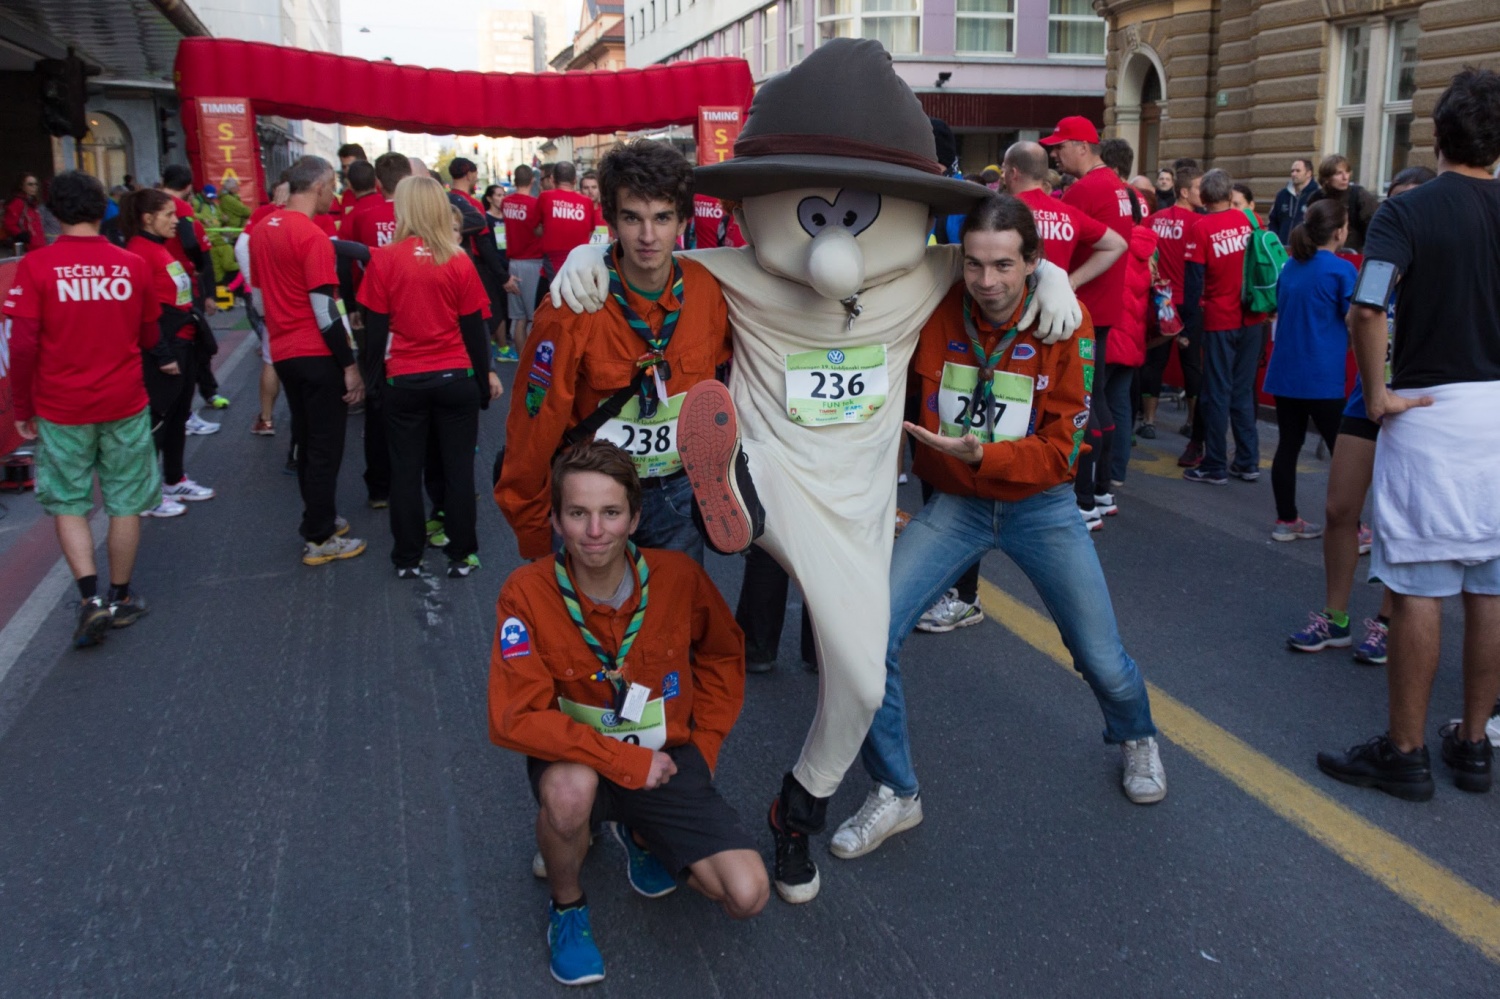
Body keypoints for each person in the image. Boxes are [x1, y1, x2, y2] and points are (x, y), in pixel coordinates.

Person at [829, 194, 1166, 862]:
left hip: (1041, 507)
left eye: (1006, 265)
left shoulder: (1064, 323)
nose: (988, 281)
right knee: (868, 640)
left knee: (1098, 653)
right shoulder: (933, 305)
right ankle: (896, 790)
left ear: (1033, 263)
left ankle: (1136, 734)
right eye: (976, 265)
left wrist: (985, 454)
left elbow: (1065, 452)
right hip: (953, 505)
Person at [488, 441, 767, 985]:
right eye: (578, 513)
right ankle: (567, 908)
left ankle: (641, 834)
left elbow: (723, 654)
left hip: (665, 757)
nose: (595, 531)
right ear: (556, 519)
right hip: (579, 761)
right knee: (570, 797)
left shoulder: (679, 577)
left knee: (747, 894)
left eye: (611, 513)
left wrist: (703, 748)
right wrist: (622, 764)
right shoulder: (524, 593)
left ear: (635, 518)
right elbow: (513, 717)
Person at [1317, 69, 1500, 800]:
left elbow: (1368, 307)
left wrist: (1376, 391)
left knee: (1419, 583)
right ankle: (1475, 742)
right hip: (1497, 407)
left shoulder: (1408, 212)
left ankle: (1405, 750)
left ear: (1435, 135)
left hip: (1431, 407)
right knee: (1489, 584)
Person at [496, 140, 730, 564]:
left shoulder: (707, 291)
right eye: (632, 218)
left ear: (682, 220)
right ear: (611, 220)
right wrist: (534, 535)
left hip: (677, 494)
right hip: (594, 500)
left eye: (661, 218)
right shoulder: (572, 304)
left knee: (672, 623)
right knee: (594, 625)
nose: (647, 236)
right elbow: (532, 427)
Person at [2, 172, 161, 648]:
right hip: (124, 399)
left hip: (60, 405)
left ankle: (90, 598)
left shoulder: (36, 266)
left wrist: (22, 405)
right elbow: (150, 336)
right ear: (101, 210)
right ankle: (120, 595)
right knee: (126, 499)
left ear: (53, 213)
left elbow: (24, 343)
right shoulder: (132, 265)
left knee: (69, 500)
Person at [1287, 167, 1435, 663]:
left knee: (1398, 520)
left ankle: (1391, 620)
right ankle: (1336, 616)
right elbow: (1358, 316)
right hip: (1365, 394)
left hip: (1419, 397)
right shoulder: (1380, 257)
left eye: (1413, 201)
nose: (1403, 211)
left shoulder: (1444, 260)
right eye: (1396, 202)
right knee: (1338, 509)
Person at [359, 175, 500, 578]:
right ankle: (462, 553)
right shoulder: (458, 259)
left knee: (405, 472)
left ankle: (408, 557)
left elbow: (375, 332)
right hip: (455, 378)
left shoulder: (384, 260)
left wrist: (373, 383)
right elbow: (475, 330)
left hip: (404, 380)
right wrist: (481, 382)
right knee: (458, 470)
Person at [249, 155, 367, 566]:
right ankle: (318, 536)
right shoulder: (313, 236)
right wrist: (349, 365)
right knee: (324, 448)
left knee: (305, 440)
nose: (333, 196)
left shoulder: (263, 228)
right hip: (315, 354)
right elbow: (325, 310)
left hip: (282, 351)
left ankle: (320, 518)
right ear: (318, 186)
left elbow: (260, 299)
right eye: (332, 186)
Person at [1041, 117, 1135, 526]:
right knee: (1101, 400)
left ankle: (1083, 499)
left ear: (1083, 146)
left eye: (1060, 146)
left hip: (1084, 309)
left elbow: (1060, 243)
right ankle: (1101, 491)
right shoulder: (1119, 187)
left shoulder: (1085, 190)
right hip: (1104, 306)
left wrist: (1069, 283)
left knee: (1083, 402)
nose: (1054, 154)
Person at [120, 189, 218, 517]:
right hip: (166, 345)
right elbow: (143, 312)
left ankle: (174, 480)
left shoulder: (158, 249)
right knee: (158, 421)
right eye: (169, 215)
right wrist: (162, 354)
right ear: (148, 218)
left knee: (178, 417)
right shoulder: (139, 252)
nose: (177, 221)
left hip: (184, 340)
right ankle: (146, 493)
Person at [1261, 200, 1353, 543]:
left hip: (1286, 372)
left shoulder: (1290, 268)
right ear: (1339, 232)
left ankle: (1286, 520)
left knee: (1288, 445)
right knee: (1343, 452)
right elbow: (1353, 319)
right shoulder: (1342, 270)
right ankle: (1354, 528)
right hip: (1322, 375)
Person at [1180, 169, 1269, 486]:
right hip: (1253, 317)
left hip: (1220, 319)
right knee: (1243, 391)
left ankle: (1215, 463)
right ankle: (1247, 460)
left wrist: (1186, 325)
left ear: (1203, 197)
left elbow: (1193, 283)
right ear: (1230, 194)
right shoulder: (1251, 220)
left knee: (1215, 392)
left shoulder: (1201, 227)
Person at [1142, 166, 1202, 443]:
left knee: (1154, 362)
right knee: (1191, 365)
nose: (1203, 193)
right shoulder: (1198, 224)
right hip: (1186, 302)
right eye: (1199, 188)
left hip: (1158, 300)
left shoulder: (1153, 220)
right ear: (1186, 191)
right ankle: (1191, 421)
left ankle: (1149, 421)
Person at [503, 164, 544, 351]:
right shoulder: (534, 204)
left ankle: (521, 363)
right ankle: (529, 364)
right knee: (532, 317)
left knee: (518, 317)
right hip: (532, 262)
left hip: (513, 263)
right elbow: (539, 231)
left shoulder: (506, 202)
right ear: (532, 180)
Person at [1307, 155, 1380, 252]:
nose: (1345, 177)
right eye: (1338, 173)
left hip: (1354, 255)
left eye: (1347, 172)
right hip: (1322, 255)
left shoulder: (1359, 195)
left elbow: (1375, 228)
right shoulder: (1316, 198)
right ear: (1327, 178)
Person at [538, 161, 596, 284]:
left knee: (556, 295)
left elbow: (537, 230)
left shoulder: (545, 197)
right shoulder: (587, 202)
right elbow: (590, 232)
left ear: (553, 179)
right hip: (580, 258)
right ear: (575, 180)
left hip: (552, 258)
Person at [482, 182, 521, 362]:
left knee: (506, 307)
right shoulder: (486, 218)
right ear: (489, 198)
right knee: (496, 306)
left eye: (503, 194)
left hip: (509, 263)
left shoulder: (507, 218)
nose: (501, 198)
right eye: (497, 195)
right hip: (494, 268)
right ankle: (501, 346)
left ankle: (499, 342)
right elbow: (487, 247)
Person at [1268, 159, 1320, 244]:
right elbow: (1273, 221)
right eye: (1292, 171)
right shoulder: (1282, 195)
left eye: (1298, 171)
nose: (1294, 174)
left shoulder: (1317, 195)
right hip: (1282, 249)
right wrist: (1274, 241)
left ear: (1309, 174)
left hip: (1305, 249)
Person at [3, 173, 45, 251]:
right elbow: (9, 224)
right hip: (27, 246)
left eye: (36, 184)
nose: (34, 187)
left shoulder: (33, 203)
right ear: (22, 186)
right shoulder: (18, 202)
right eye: (30, 184)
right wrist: (20, 235)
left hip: (38, 245)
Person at [336, 143, 368, 215]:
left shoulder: (380, 191)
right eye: (344, 167)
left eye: (351, 166)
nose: (348, 171)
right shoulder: (347, 195)